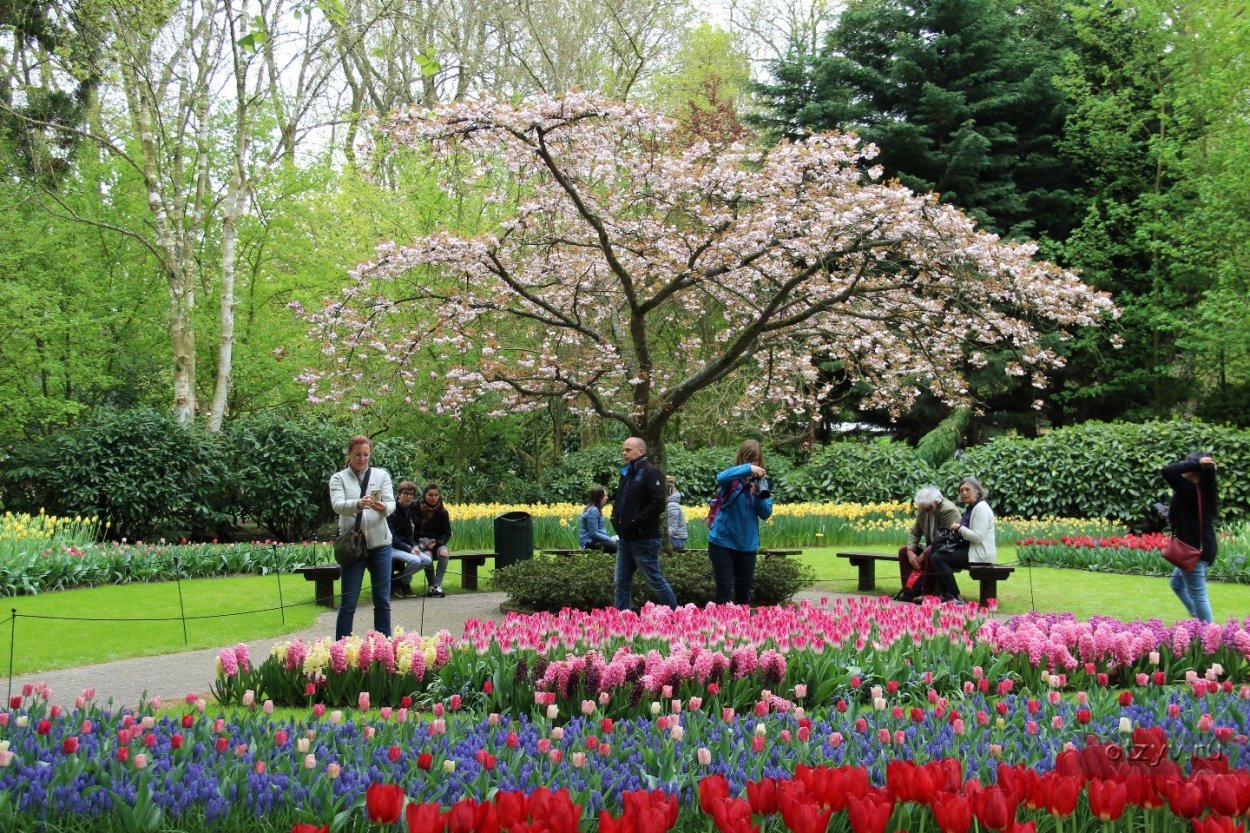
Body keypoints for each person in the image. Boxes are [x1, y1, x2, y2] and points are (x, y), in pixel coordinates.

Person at [329, 435, 396, 639]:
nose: (362, 458)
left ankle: (383, 647)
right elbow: (337, 505)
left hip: (380, 544)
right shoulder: (338, 478)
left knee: (382, 601)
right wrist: (358, 504)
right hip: (353, 546)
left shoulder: (381, 475)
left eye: (366, 454)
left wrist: (383, 507)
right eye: (357, 454)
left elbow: (392, 504)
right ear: (349, 454)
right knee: (349, 602)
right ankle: (342, 648)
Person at [611, 437, 678, 610]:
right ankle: (622, 620)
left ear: (641, 451)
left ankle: (675, 615)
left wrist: (636, 522)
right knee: (620, 582)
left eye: (628, 450)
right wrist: (615, 518)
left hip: (644, 538)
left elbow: (658, 503)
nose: (624, 453)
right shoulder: (626, 473)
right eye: (623, 450)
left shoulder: (651, 472)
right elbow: (621, 500)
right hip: (625, 538)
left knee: (654, 580)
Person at [706, 439, 774, 604]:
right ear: (742, 458)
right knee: (724, 590)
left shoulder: (761, 482)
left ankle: (741, 629)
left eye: (755, 459)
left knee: (743, 595)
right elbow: (720, 477)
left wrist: (758, 495)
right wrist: (747, 469)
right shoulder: (732, 477)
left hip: (747, 544)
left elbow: (765, 513)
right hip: (722, 542)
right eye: (748, 459)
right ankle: (721, 628)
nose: (752, 463)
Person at [1162, 451, 1218, 623]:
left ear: (1195, 469)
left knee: (1199, 595)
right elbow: (1188, 515)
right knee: (1176, 584)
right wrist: (1168, 513)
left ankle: (1208, 634)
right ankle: (1197, 618)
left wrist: (1196, 464)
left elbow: (1168, 471)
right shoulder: (1204, 489)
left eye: (1189, 464)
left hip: (1192, 551)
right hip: (1201, 548)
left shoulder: (1190, 488)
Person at [928, 476, 996, 603]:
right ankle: (940, 595)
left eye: (967, 490)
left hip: (979, 553)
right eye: (961, 490)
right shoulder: (972, 507)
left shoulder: (981, 508)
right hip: (969, 549)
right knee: (936, 552)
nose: (964, 493)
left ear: (977, 491)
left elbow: (978, 537)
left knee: (938, 558)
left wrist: (959, 528)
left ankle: (955, 596)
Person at [897, 486, 961, 593]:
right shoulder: (924, 508)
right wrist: (910, 551)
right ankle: (909, 590)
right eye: (923, 508)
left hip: (947, 548)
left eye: (928, 508)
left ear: (937, 502)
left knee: (930, 553)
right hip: (931, 546)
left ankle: (927, 592)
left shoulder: (948, 510)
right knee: (903, 551)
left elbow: (943, 539)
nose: (925, 511)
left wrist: (923, 554)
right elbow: (915, 531)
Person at [387, 480, 433, 598]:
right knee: (415, 560)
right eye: (405, 494)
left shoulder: (408, 509)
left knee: (427, 560)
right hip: (390, 546)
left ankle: (399, 581)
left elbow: (408, 534)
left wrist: (414, 545)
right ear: (399, 494)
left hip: (402, 545)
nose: (408, 497)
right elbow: (392, 538)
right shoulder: (391, 510)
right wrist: (409, 548)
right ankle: (404, 584)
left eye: (411, 495)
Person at [413, 482, 453, 598]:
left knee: (444, 552)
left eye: (436, 495)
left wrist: (437, 542)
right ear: (425, 495)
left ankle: (437, 585)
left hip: (437, 542)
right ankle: (431, 585)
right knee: (427, 556)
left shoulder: (442, 512)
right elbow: (412, 530)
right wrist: (422, 543)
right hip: (421, 543)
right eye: (430, 495)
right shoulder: (416, 508)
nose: (433, 498)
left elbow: (447, 532)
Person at [579, 486, 617, 553]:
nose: (607, 498)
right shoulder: (593, 511)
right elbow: (593, 534)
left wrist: (610, 538)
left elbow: (599, 529)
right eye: (605, 495)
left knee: (619, 545)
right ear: (599, 497)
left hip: (594, 540)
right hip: (588, 542)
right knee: (615, 547)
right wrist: (610, 539)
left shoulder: (596, 509)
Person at [666, 476, 688, 551]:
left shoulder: (671, 505)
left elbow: (672, 530)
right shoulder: (669, 504)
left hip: (677, 540)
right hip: (674, 539)